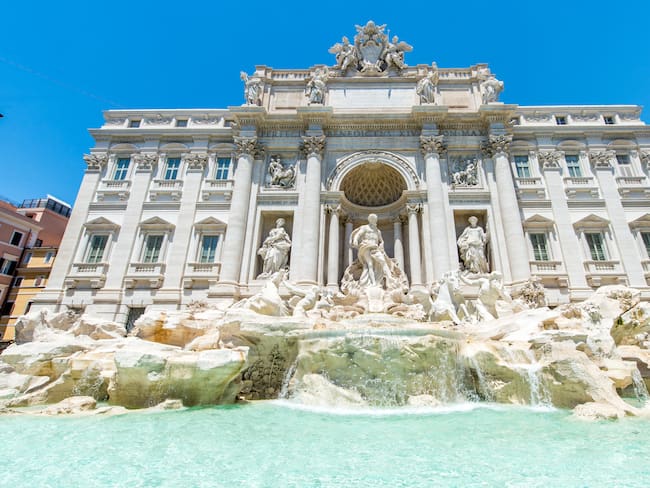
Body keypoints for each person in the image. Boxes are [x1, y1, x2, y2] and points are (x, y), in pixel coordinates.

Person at [350, 214, 392, 287]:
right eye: (372, 219)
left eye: (375, 219)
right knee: (370, 264)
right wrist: (355, 240)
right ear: (369, 220)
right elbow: (358, 234)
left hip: (375, 248)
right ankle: (373, 283)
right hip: (366, 246)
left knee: (383, 261)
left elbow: (381, 240)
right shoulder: (365, 228)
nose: (374, 221)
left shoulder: (377, 231)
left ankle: (390, 278)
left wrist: (382, 245)